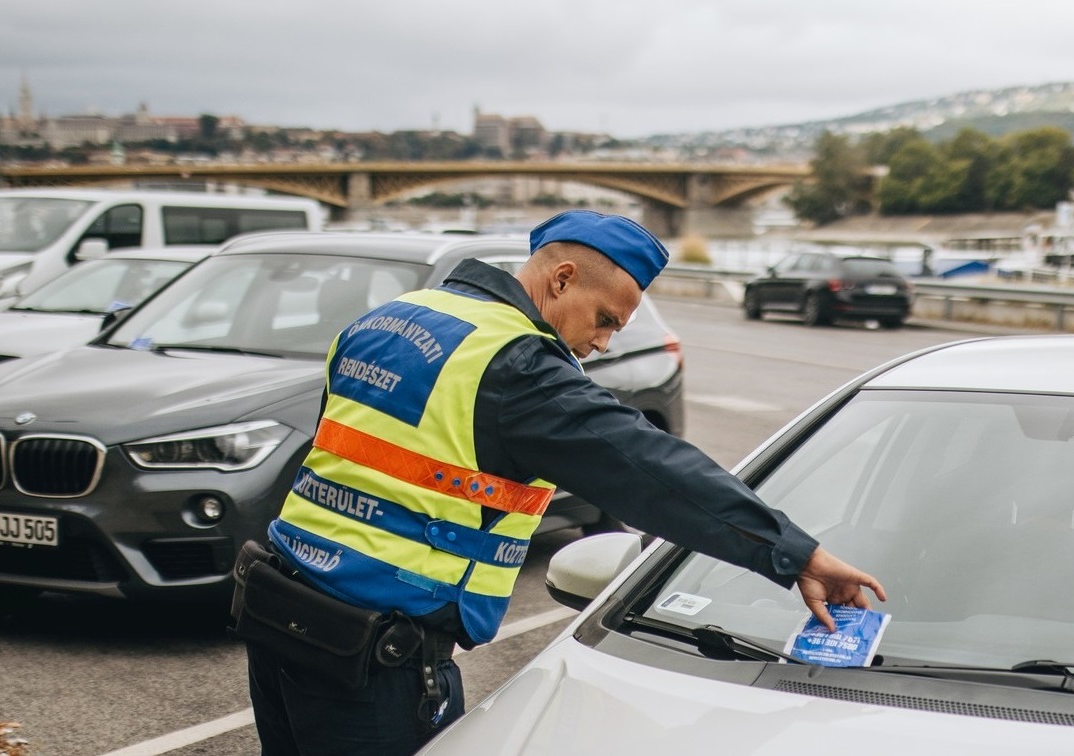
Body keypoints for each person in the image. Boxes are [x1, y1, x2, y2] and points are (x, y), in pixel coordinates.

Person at [242, 210, 886, 755]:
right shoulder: (516, 363)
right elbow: (651, 470)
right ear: (562, 278)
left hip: (280, 616)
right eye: (605, 319)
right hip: (372, 660)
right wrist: (793, 552)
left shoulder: (388, 318)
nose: (602, 344)